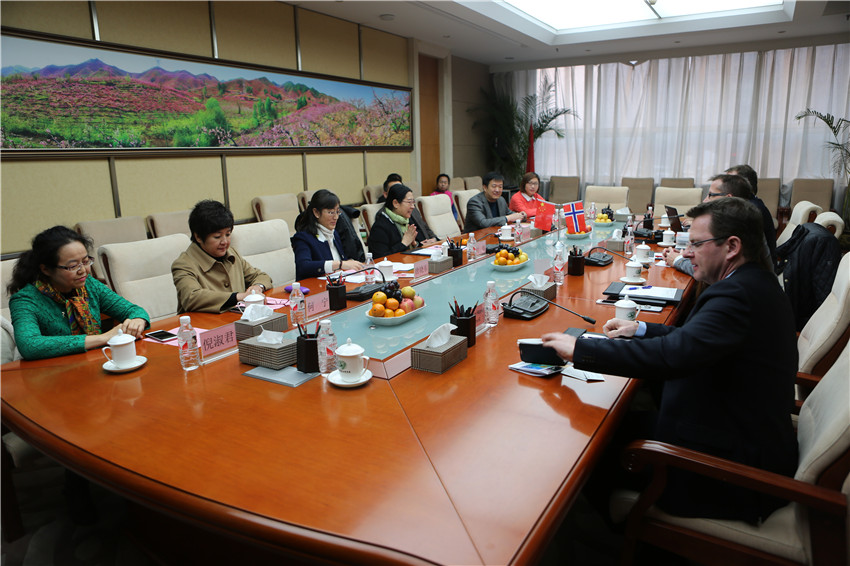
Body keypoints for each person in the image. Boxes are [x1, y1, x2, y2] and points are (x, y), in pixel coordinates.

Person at [542, 197, 798, 523]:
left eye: (696, 244)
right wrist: (640, 329)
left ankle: (619, 533)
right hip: (729, 426)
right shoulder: (752, 282)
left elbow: (673, 356)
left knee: (588, 444)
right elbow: (692, 340)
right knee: (609, 420)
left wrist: (580, 350)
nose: (686, 253)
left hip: (727, 468)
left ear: (732, 246)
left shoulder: (737, 296)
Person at [8, 226, 150, 361]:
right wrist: (104, 338)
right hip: (53, 372)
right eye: (73, 266)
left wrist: (138, 320)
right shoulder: (25, 300)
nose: (83, 271)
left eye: (86, 261)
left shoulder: (89, 285)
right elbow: (29, 345)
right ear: (46, 269)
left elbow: (133, 310)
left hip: (96, 362)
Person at [172, 200, 272, 313]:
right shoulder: (183, 264)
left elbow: (260, 276)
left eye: (228, 234)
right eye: (217, 236)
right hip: (203, 322)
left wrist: (257, 287)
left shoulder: (231, 253)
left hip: (237, 318)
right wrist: (238, 297)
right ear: (198, 237)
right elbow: (191, 297)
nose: (225, 241)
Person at [663, 173, 771, 274]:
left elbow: (709, 270)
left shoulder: (737, 225)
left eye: (710, 195)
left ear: (728, 198)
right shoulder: (741, 218)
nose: (705, 200)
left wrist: (677, 260)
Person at [291, 189, 365, 280]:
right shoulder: (303, 238)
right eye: (331, 212)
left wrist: (348, 263)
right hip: (315, 286)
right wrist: (340, 264)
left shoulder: (334, 233)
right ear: (316, 213)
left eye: (337, 212)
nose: (336, 217)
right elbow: (303, 266)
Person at [725, 164, 777, 264]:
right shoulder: (750, 203)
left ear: (744, 184)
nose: (725, 185)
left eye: (730, 181)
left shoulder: (750, 210)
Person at [367, 184, 438, 258]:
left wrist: (415, 244)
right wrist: (404, 243)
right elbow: (380, 258)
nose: (413, 206)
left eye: (413, 202)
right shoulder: (380, 227)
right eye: (409, 202)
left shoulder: (407, 221)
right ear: (395, 203)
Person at [377, 172, 438, 242]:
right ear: (386, 194)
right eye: (394, 189)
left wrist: (434, 239)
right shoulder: (383, 215)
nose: (399, 191)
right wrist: (417, 244)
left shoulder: (411, 206)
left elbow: (424, 226)